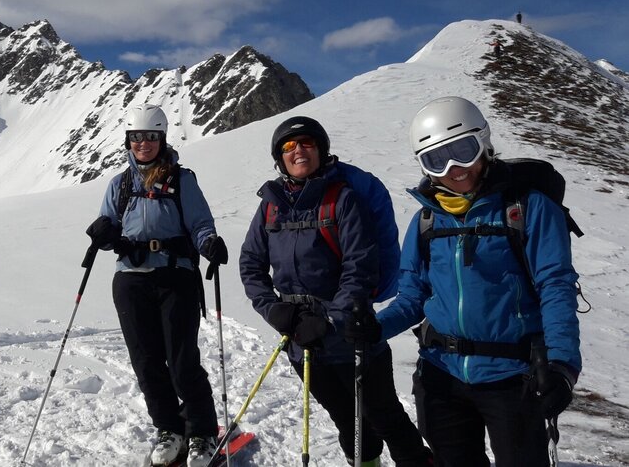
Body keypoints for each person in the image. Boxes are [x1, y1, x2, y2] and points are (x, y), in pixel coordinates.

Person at [352, 96, 581, 466]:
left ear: (484, 143)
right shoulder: (425, 221)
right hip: (441, 377)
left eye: (463, 150)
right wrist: (373, 328)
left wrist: (562, 366)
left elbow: (555, 285)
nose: (454, 169)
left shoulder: (529, 207)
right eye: (436, 160)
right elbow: (413, 298)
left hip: (514, 379)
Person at [240, 117, 432, 466]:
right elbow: (250, 265)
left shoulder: (342, 199)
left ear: (322, 149)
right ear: (279, 157)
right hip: (300, 342)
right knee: (346, 419)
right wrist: (275, 311)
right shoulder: (270, 205)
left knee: (384, 417)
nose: (298, 150)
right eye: (288, 146)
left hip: (352, 337)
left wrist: (329, 320)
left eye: (307, 143)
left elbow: (360, 267)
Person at [85, 104, 227, 467]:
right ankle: (168, 428)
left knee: (181, 361)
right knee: (147, 362)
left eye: (150, 137)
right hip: (130, 281)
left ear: (162, 139)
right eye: (136, 137)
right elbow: (109, 228)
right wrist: (102, 234)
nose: (143, 143)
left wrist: (209, 242)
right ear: (128, 141)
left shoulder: (182, 180)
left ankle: (202, 432)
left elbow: (199, 224)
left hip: (174, 276)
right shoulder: (119, 184)